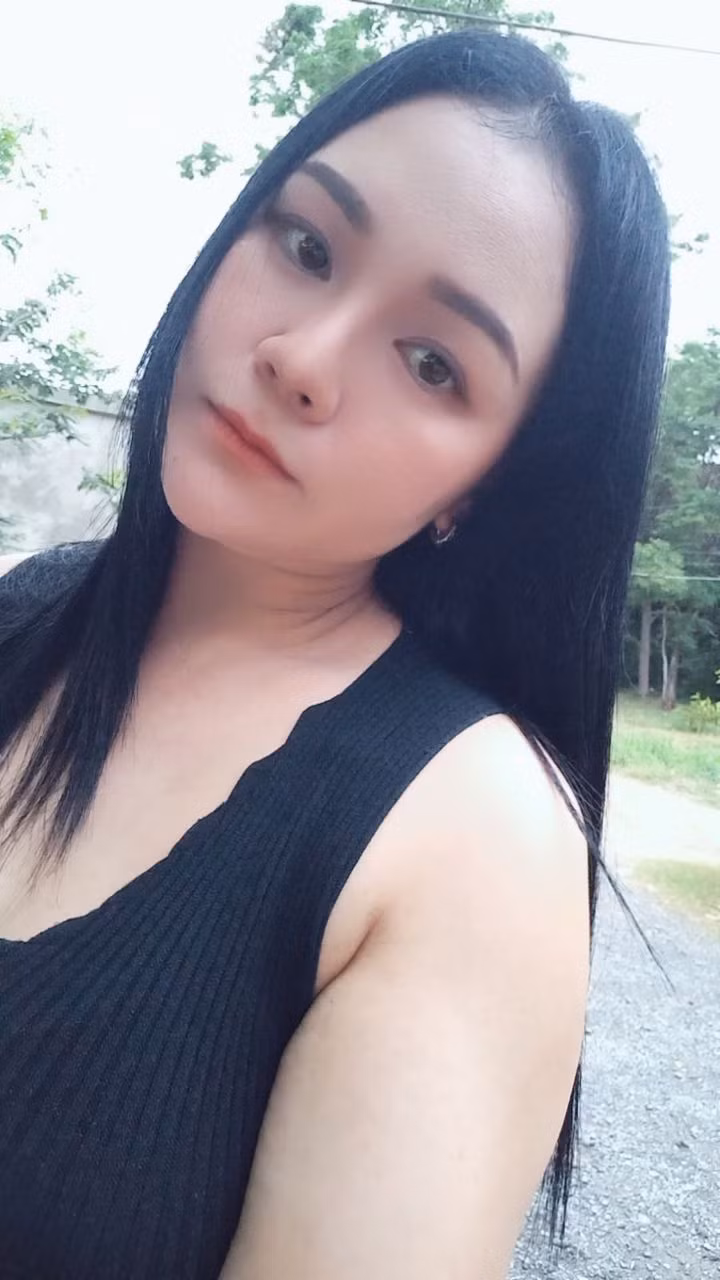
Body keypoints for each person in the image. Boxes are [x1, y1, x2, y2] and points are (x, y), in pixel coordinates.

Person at [0, 26, 669, 1280]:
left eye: (432, 363)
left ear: (485, 483)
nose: (300, 360)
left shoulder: (468, 838)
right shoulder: (30, 610)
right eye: (306, 246)